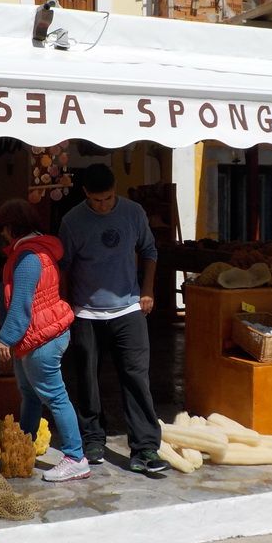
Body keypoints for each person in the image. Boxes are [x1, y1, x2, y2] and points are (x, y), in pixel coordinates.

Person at [58, 164, 169, 475]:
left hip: (129, 309)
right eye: (96, 200)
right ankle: (92, 439)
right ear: (85, 195)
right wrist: (67, 306)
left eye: (107, 199)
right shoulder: (72, 221)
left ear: (115, 190)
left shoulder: (133, 213)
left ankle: (145, 448)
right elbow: (64, 266)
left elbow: (149, 251)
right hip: (85, 312)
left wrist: (147, 291)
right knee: (87, 378)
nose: (102, 205)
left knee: (136, 378)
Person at [0, 199, 89, 483]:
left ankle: (75, 457)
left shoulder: (27, 258)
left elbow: (23, 306)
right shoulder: (38, 251)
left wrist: (4, 339)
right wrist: (0, 310)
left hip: (40, 337)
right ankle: (23, 450)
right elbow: (26, 298)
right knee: (31, 395)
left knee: (56, 397)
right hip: (40, 334)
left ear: (10, 228)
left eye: (3, 230)